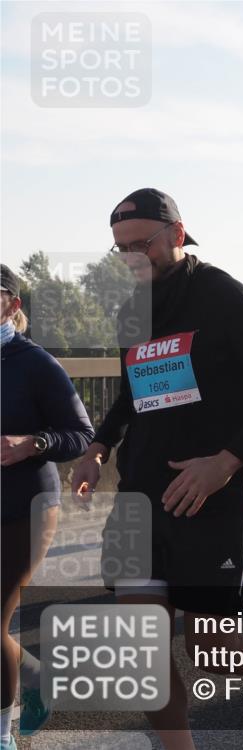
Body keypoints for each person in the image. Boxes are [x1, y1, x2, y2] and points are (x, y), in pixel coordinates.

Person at [69, 189, 243, 750]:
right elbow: (132, 394)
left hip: (214, 497)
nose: (131, 258)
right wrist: (99, 447)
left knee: (212, 649)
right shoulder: (133, 310)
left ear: (177, 234)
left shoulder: (223, 295)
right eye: (119, 249)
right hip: (140, 495)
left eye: (141, 244)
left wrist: (225, 463)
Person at [2, 265, 95, 749]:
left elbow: (80, 433)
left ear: (12, 305)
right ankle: (36, 675)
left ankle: (4, 734)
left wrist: (33, 442)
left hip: (26, 507)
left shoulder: (34, 362)